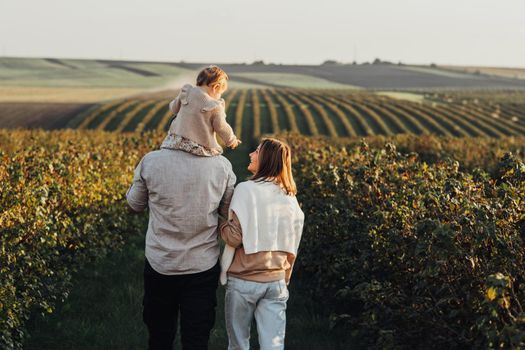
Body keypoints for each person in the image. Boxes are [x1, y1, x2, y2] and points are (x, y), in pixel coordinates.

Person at [126, 125, 237, 349]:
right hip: (202, 266)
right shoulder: (222, 166)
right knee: (196, 338)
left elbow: (134, 204)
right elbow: (227, 212)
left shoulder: (151, 161)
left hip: (161, 263)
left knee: (159, 336)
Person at [219, 138, 305, 350]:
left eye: (256, 151)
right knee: (273, 345)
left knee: (239, 344)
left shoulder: (246, 190)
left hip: (244, 280)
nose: (251, 154)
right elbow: (293, 242)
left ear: (265, 159)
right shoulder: (290, 197)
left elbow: (234, 238)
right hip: (276, 281)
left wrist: (219, 221)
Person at [161, 65, 241, 157]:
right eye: (220, 93)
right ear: (215, 87)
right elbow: (221, 126)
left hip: (175, 142)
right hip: (198, 147)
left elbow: (173, 108)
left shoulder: (186, 92)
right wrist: (231, 140)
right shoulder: (214, 106)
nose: (219, 96)